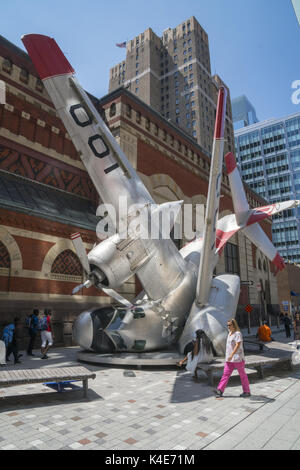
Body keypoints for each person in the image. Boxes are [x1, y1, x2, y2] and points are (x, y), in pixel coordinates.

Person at [215, 318, 251, 398]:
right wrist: (228, 355)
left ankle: (247, 391)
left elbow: (238, 345)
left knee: (242, 375)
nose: (228, 326)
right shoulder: (230, 333)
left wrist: (232, 354)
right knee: (225, 374)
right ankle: (220, 390)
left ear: (234, 325)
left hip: (237, 358)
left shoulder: (237, 333)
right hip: (229, 359)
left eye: (229, 325)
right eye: (227, 325)